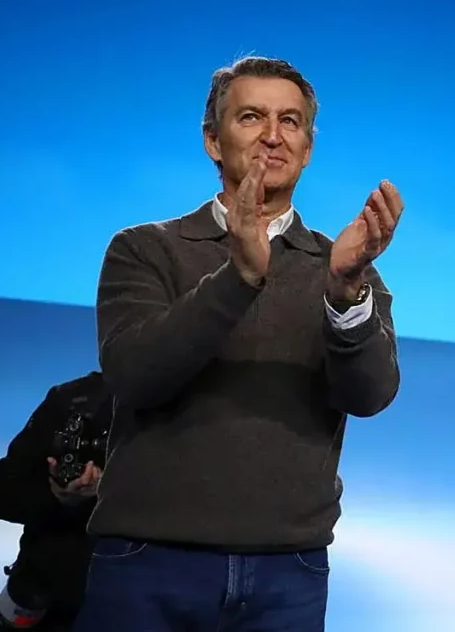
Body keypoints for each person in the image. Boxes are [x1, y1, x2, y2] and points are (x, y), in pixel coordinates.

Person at [72, 56, 404, 632]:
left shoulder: (345, 264)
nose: (273, 136)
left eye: (291, 122)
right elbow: (134, 374)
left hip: (288, 573)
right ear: (212, 140)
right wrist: (239, 276)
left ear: (307, 148)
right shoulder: (145, 250)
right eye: (251, 117)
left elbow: (371, 394)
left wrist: (346, 291)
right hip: (148, 560)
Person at [0, 372, 109, 632]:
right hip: (44, 594)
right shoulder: (72, 402)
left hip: (137, 598)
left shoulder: (195, 415)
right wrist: (58, 497)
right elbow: (0, 494)